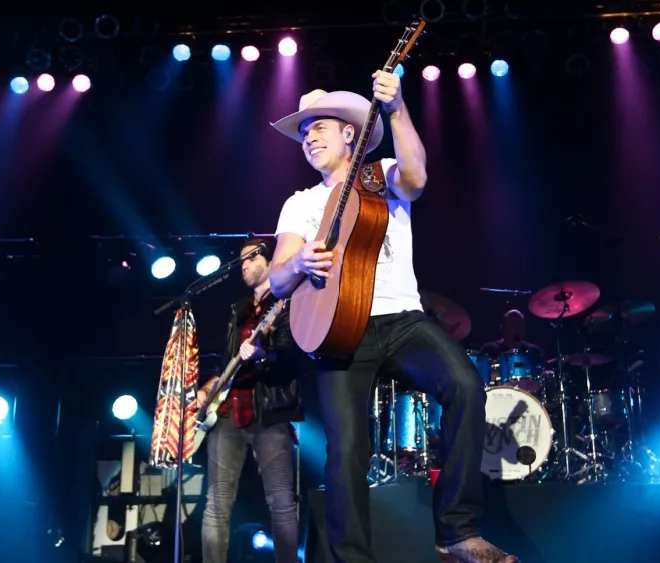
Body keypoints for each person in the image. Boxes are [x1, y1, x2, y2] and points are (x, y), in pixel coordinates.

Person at [267, 73, 519, 562]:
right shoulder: (299, 204)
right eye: (303, 133)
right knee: (345, 453)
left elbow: (419, 178)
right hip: (338, 334)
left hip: (401, 318)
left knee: (467, 386)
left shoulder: (382, 174)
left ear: (349, 133)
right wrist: (297, 263)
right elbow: (277, 280)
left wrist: (398, 108)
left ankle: (456, 533)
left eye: (319, 127)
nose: (309, 138)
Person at [195, 238, 303, 563]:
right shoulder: (237, 310)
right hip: (228, 412)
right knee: (216, 504)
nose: (242, 265)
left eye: (249, 259)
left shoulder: (287, 302)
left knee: (282, 503)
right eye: (240, 260)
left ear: (269, 261)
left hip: (269, 412)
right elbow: (226, 363)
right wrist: (207, 390)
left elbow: (292, 355)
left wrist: (261, 356)